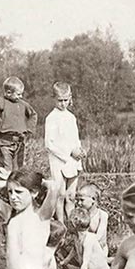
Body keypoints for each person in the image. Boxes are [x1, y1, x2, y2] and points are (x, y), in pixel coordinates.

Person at [67, 208, 131, 269]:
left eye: (69, 223)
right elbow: (74, 249)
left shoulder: (88, 240)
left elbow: (86, 263)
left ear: (74, 225)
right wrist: (65, 261)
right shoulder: (77, 237)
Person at [44, 81, 84, 222]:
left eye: (66, 100)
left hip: (73, 160)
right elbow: (49, 144)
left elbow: (75, 138)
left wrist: (79, 150)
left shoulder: (71, 117)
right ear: (54, 99)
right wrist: (69, 152)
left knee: (71, 195)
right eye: (59, 101)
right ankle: (61, 225)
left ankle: (73, 225)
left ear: (70, 98)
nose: (63, 104)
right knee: (60, 194)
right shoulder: (51, 118)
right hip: (58, 160)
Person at [0, 76, 37, 171]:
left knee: (18, 171)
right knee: (7, 170)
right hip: (4, 142)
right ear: (8, 93)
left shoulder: (23, 104)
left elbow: (33, 115)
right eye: (18, 94)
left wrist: (29, 129)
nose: (20, 97)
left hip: (20, 143)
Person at [75, 183, 109, 253]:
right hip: (84, 250)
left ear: (93, 199)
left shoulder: (102, 215)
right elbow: (77, 236)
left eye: (82, 200)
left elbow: (99, 236)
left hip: (98, 250)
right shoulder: (80, 215)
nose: (78, 203)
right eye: (78, 200)